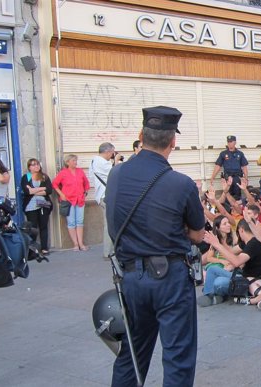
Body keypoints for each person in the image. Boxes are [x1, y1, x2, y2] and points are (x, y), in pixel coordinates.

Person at [105, 106, 205, 386]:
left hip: (130, 277)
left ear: (141, 135)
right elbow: (198, 235)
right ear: (173, 141)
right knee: (178, 357)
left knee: (132, 355)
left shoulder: (116, 175)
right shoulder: (181, 183)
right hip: (170, 277)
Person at [90, 142, 123, 258]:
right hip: (106, 196)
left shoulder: (94, 161)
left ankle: (111, 250)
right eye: (112, 152)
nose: (113, 155)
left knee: (110, 223)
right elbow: (115, 173)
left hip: (102, 196)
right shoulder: (101, 163)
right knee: (109, 224)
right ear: (108, 151)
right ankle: (108, 252)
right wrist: (117, 161)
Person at [52, 154, 90, 251]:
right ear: (68, 162)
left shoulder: (80, 171)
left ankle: (81, 243)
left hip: (80, 200)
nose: (75, 162)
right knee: (71, 222)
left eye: (76, 160)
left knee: (80, 222)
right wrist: (61, 194)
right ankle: (75, 244)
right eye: (73, 160)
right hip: (69, 200)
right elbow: (55, 184)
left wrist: (85, 192)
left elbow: (86, 183)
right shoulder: (63, 173)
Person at [20, 158, 53, 255]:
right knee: (32, 227)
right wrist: (42, 189)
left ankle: (44, 248)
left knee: (43, 226)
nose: (36, 166)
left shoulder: (44, 176)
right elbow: (27, 192)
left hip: (43, 204)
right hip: (30, 206)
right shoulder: (26, 177)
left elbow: (49, 190)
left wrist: (34, 190)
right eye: (33, 165)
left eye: (38, 164)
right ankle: (32, 250)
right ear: (29, 167)